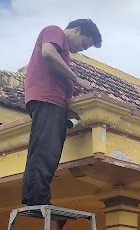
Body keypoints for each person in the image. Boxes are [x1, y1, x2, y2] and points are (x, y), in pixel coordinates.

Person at [21, 19, 102, 206]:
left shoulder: (64, 52)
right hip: (47, 99)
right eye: (84, 44)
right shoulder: (54, 31)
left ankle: (34, 195)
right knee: (45, 151)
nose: (81, 50)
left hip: (54, 103)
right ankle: (37, 198)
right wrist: (76, 79)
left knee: (48, 150)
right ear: (77, 30)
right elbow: (48, 53)